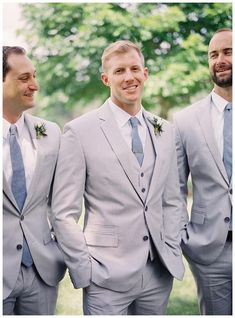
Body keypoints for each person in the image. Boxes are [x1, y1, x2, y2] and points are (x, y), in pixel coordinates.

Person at [51, 40, 184, 315]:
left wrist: (170, 246)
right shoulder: (79, 131)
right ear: (105, 78)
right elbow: (63, 212)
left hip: (158, 274)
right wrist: (84, 268)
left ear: (145, 73)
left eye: (135, 69)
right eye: (119, 71)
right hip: (104, 276)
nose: (129, 77)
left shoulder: (166, 130)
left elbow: (173, 199)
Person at [3, 46, 66, 315]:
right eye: (24, 78)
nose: (35, 85)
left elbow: (62, 201)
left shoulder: (50, 132)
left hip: (41, 272)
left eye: (34, 76)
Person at [174, 28, 232, 315]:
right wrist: (187, 239)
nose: (220, 60)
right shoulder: (185, 120)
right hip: (210, 250)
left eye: (228, 52)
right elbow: (175, 189)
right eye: (213, 54)